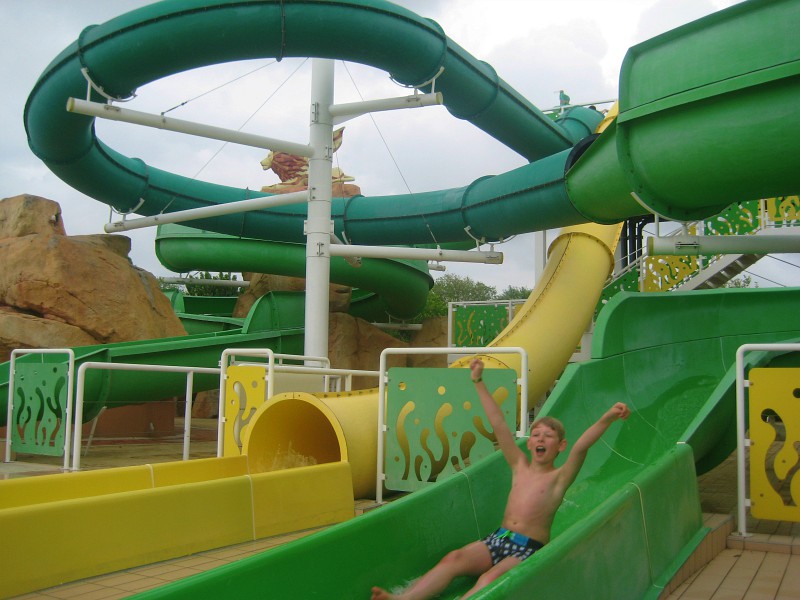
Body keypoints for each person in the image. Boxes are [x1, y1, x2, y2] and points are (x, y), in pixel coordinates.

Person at [370, 358, 630, 600]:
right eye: (536, 435)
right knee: (453, 558)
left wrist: (607, 417)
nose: (540, 438)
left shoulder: (559, 477)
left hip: (527, 549)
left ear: (560, 446)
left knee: (488, 579)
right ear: (529, 444)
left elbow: (581, 447)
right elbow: (498, 424)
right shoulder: (519, 465)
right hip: (498, 538)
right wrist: (478, 381)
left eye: (548, 436)